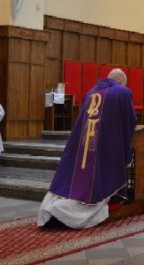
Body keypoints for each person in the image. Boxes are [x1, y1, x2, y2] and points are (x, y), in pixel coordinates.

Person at [37, 68, 137, 229]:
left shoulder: (90, 92)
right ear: (121, 82)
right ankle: (65, 214)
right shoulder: (122, 92)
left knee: (73, 180)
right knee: (97, 181)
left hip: (84, 143)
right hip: (104, 144)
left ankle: (52, 208)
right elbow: (129, 120)